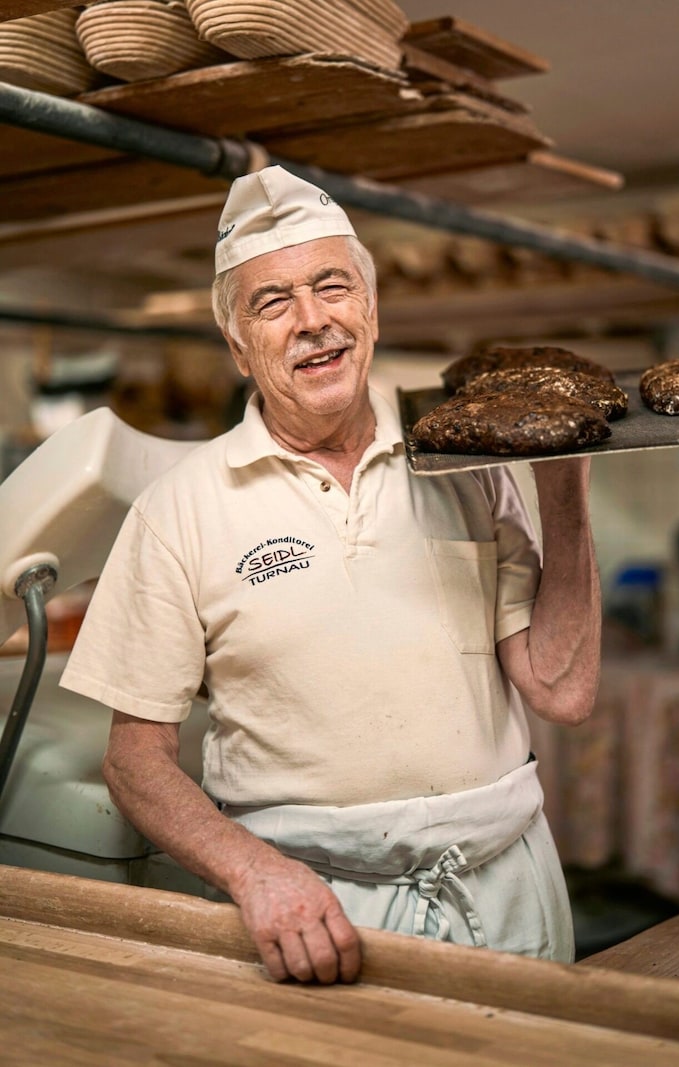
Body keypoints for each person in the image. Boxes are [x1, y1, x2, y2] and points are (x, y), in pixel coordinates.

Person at [60, 165, 601, 985]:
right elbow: (135, 762)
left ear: (372, 311)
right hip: (311, 913)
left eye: (332, 287)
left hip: (506, 894)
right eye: (273, 302)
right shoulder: (181, 509)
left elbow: (562, 691)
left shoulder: (463, 466)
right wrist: (253, 873)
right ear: (239, 345)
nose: (313, 321)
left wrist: (565, 476)